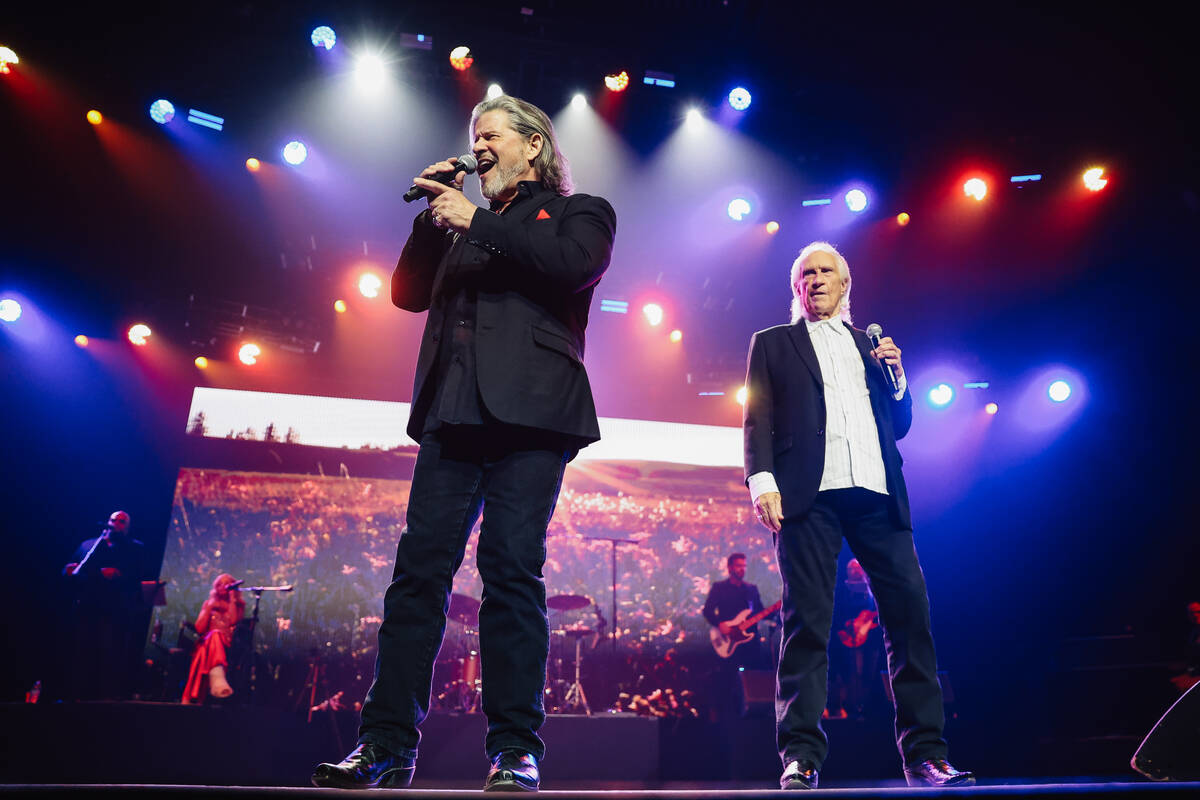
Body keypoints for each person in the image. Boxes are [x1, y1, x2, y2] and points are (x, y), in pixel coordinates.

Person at [312, 94, 616, 792]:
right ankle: (386, 744)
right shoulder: (455, 221)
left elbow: (570, 266)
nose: (477, 146)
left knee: (511, 574)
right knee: (418, 579)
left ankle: (515, 750)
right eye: (473, 137)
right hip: (452, 411)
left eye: (490, 136)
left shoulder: (580, 212)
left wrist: (475, 218)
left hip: (534, 416)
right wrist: (434, 211)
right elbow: (407, 294)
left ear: (532, 145)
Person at [742, 241, 973, 789]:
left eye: (827, 271)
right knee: (807, 624)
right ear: (795, 287)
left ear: (846, 285)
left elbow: (902, 423)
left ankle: (926, 754)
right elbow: (757, 418)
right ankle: (801, 755)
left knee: (910, 619)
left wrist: (898, 376)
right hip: (809, 495)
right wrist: (761, 481)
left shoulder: (871, 346)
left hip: (876, 492)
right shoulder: (773, 344)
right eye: (807, 273)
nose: (816, 278)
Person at [62, 510, 147, 700]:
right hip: (86, 607)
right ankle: (75, 697)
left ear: (127, 527)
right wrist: (66, 571)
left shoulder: (135, 549)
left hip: (114, 612)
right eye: (113, 520)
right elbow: (72, 568)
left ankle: (103, 701)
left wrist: (119, 576)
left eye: (122, 522)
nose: (116, 524)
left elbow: (138, 580)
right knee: (81, 653)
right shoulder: (88, 545)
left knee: (108, 656)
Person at [181, 573, 245, 704]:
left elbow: (233, 621)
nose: (223, 586)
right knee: (213, 637)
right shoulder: (209, 604)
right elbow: (199, 629)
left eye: (227, 584)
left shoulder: (238, 605)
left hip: (227, 643)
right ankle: (217, 679)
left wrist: (232, 598)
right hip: (208, 643)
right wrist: (209, 607)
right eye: (220, 584)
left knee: (214, 639)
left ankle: (196, 694)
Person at [703, 552, 771, 669]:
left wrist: (778, 609)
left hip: (750, 642)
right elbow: (707, 611)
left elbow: (759, 611)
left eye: (744, 566)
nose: (742, 569)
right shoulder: (719, 588)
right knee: (730, 678)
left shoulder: (751, 589)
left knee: (755, 677)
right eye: (739, 566)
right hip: (729, 641)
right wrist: (720, 624)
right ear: (730, 568)